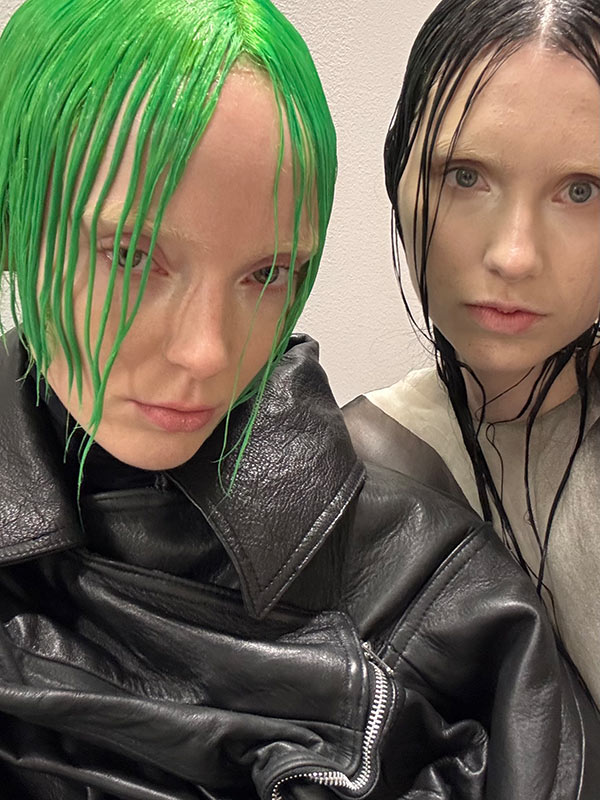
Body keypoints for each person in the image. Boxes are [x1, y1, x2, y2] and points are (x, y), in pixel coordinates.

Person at [0, 0, 598, 797]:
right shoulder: (402, 451)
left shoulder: (426, 576)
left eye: (268, 274)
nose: (207, 352)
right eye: (134, 255)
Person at [344, 0, 600, 709]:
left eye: (581, 191)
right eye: (465, 176)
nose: (513, 255)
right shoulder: (348, 471)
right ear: (396, 177)